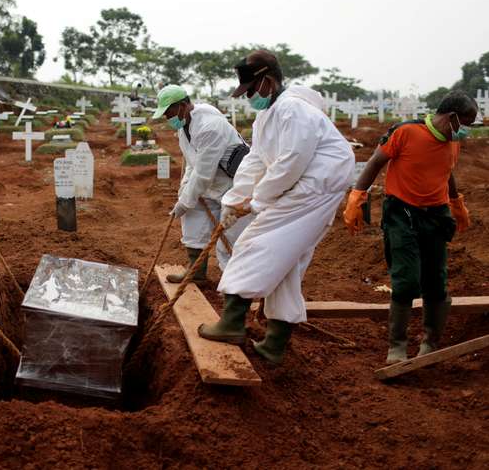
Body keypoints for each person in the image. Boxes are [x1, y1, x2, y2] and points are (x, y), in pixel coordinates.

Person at [198, 50, 354, 365]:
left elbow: (290, 163)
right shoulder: (267, 116)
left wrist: (256, 202)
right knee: (286, 262)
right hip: (306, 187)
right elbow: (256, 162)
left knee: (254, 243)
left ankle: (231, 323)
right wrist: (232, 201)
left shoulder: (293, 109)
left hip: (315, 187)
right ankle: (275, 343)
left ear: (268, 81)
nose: (249, 98)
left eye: (252, 91)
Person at [343, 91, 475, 363]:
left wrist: (455, 202)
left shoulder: (452, 141)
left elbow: (447, 170)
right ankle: (397, 346)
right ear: (451, 118)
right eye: (465, 124)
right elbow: (375, 162)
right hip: (402, 213)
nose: (466, 132)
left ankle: (431, 342)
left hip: (436, 216)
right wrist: (358, 196)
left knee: (437, 281)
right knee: (405, 281)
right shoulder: (406, 133)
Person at [151, 85, 253, 285]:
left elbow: (203, 173)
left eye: (169, 112)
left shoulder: (210, 127)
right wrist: (185, 193)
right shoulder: (185, 127)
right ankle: (196, 272)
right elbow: (192, 164)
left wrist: (185, 201)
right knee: (192, 216)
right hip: (211, 183)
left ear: (182, 106)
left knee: (230, 237)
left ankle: (236, 283)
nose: (167, 118)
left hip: (234, 185)